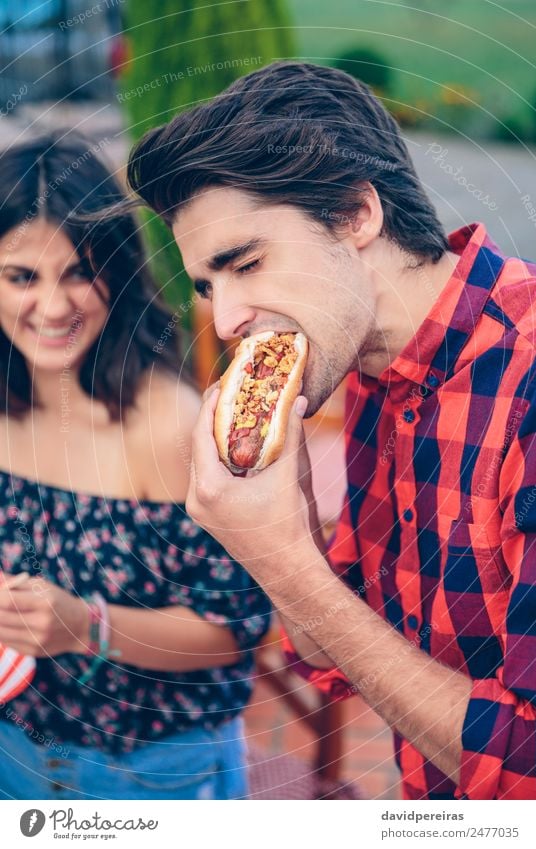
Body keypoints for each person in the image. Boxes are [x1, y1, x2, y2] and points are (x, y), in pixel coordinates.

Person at [122, 61, 536, 801]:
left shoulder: (525, 381)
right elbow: (333, 647)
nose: (224, 323)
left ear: (355, 215)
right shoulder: (367, 363)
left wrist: (283, 562)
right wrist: (284, 525)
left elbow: (524, 771)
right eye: (209, 286)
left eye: (245, 262)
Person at [0, 133, 271, 800]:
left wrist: (83, 625)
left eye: (79, 270)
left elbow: (235, 630)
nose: (55, 307)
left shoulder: (172, 423)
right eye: (21, 276)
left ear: (117, 271)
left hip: (149, 771)